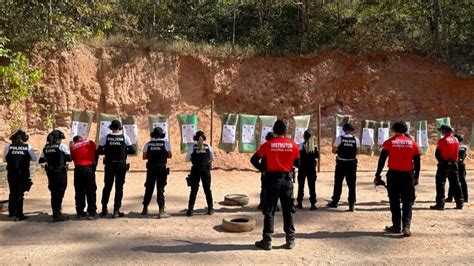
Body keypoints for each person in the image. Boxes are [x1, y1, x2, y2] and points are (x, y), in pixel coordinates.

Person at [250, 120, 300, 250]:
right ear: (285, 131)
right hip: (287, 181)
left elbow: (253, 159)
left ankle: (267, 240)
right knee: (288, 211)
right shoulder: (293, 145)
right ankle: (290, 239)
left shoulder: (268, 144)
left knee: (270, 211)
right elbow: (298, 164)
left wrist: (263, 169)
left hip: (272, 181)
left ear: (274, 130)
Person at [374, 121, 421, 237]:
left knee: (394, 200)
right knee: (407, 201)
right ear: (405, 130)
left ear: (394, 129)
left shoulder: (389, 142)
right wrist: (416, 176)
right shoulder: (412, 143)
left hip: (393, 175)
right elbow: (418, 162)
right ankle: (406, 226)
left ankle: (396, 226)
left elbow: (382, 160)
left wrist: (377, 174)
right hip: (408, 175)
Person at [98, 120, 136, 218]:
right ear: (120, 128)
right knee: (119, 188)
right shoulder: (124, 137)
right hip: (121, 164)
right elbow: (132, 150)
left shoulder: (106, 137)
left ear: (111, 128)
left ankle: (104, 209)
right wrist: (123, 150)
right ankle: (116, 211)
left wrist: (107, 151)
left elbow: (99, 150)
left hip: (109, 164)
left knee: (107, 187)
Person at [39, 130, 72, 222]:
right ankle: (57, 214)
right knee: (60, 192)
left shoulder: (45, 147)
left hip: (50, 173)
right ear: (58, 139)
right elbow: (70, 159)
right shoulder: (62, 146)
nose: (61, 140)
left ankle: (56, 212)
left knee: (53, 193)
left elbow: (41, 160)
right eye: (61, 139)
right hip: (60, 173)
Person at [3, 130, 36, 221]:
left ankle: (11, 212)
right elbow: (34, 158)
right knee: (20, 193)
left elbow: (4, 160)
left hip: (11, 173)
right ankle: (19, 215)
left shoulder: (8, 146)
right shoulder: (27, 147)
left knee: (13, 192)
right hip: (23, 174)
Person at [141, 127, 172, 219]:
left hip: (151, 168)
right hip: (161, 168)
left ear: (153, 135)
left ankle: (145, 209)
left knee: (149, 188)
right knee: (160, 189)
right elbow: (170, 155)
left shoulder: (148, 144)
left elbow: (144, 157)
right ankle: (161, 210)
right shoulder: (166, 143)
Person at [430, 125, 464, 210]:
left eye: (442, 131)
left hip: (444, 163)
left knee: (440, 184)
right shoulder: (456, 139)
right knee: (456, 183)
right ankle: (460, 203)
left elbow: (437, 153)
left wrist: (441, 162)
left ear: (444, 131)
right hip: (454, 163)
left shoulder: (442, 140)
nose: (441, 132)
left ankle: (440, 204)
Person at [328, 123, 360, 211]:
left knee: (338, 183)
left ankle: (335, 202)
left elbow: (333, 150)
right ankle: (351, 204)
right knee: (352, 185)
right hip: (352, 164)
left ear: (344, 130)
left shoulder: (340, 138)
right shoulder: (356, 139)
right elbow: (357, 152)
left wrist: (341, 150)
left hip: (341, 163)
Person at [185, 130, 215, 217]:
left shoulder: (192, 147)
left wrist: (194, 159)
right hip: (205, 169)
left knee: (194, 190)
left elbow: (187, 159)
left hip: (195, 169)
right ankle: (210, 208)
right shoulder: (208, 146)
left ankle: (190, 210)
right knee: (207, 189)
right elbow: (212, 159)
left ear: (195, 139)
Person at [70, 135, 99, 220]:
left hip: (78, 169)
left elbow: (73, 159)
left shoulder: (73, 147)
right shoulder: (90, 142)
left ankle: (80, 212)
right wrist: (94, 164)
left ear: (75, 141)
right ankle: (92, 212)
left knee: (79, 191)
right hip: (89, 169)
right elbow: (96, 152)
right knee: (91, 190)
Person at [296, 129, 319, 210]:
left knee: (301, 186)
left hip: (302, 168)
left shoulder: (301, 145)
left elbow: (298, 157)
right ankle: (313, 204)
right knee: (312, 186)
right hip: (311, 168)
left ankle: (299, 203)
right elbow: (317, 156)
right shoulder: (315, 146)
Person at [446, 134, 468, 203]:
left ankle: (450, 197)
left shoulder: (453, 145)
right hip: (461, 165)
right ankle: (465, 197)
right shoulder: (465, 147)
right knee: (463, 182)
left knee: (453, 181)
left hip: (454, 165)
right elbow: (465, 155)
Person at [257, 132, 276, 210]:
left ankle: (262, 203)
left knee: (264, 187)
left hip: (265, 169)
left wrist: (262, 169)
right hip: (272, 169)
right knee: (273, 188)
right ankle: (273, 204)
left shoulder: (265, 146)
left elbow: (256, 159)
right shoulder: (273, 147)